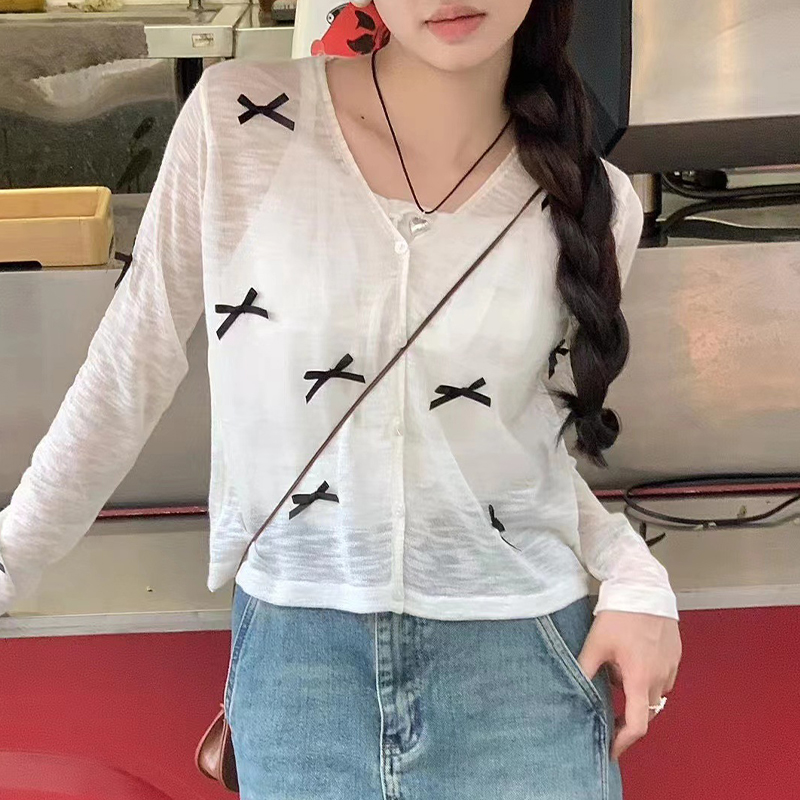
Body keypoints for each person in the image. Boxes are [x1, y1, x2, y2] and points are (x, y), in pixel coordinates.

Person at [0, 1, 682, 797]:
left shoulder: (596, 203)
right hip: (301, 672)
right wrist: (8, 561)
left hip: (520, 668)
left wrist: (635, 575)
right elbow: (127, 371)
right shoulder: (240, 123)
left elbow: (517, 454)